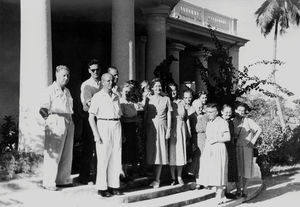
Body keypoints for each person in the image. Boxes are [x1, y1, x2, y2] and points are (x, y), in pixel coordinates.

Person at [39, 65, 74, 191]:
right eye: (63, 75)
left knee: (67, 152)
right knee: (53, 153)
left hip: (68, 119)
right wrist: (49, 121)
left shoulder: (67, 91)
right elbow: (42, 109)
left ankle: (62, 180)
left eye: (68, 75)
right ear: (57, 75)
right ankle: (48, 182)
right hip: (56, 119)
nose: (66, 78)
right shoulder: (50, 90)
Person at [88, 73, 123, 197]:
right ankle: (102, 187)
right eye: (107, 81)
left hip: (116, 125)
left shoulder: (116, 97)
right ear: (102, 82)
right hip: (103, 125)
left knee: (116, 156)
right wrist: (96, 135)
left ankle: (114, 186)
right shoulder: (97, 96)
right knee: (103, 158)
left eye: (111, 81)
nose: (110, 83)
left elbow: (119, 114)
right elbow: (91, 117)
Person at [198, 103, 230, 205]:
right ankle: (221, 195)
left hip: (218, 148)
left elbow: (227, 137)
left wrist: (215, 140)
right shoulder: (210, 122)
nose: (209, 114)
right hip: (209, 149)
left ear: (216, 112)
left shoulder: (222, 122)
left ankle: (219, 196)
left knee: (219, 172)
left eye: (211, 112)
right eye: (207, 112)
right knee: (212, 172)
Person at [145, 78, 172, 188]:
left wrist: (169, 129)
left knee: (160, 153)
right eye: (156, 86)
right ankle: (151, 176)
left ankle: (157, 179)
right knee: (152, 152)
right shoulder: (148, 99)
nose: (158, 88)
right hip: (151, 127)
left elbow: (169, 114)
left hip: (162, 127)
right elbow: (145, 113)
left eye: (159, 86)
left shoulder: (166, 99)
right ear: (152, 87)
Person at [78, 59, 101, 184]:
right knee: (88, 147)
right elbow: (88, 102)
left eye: (97, 69)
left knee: (100, 148)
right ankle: (84, 176)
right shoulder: (86, 85)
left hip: (102, 118)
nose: (95, 72)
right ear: (89, 71)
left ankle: (98, 175)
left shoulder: (103, 83)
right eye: (93, 70)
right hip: (90, 118)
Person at [233, 102, 262, 197]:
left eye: (243, 111)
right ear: (235, 110)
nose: (241, 112)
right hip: (236, 148)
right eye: (239, 110)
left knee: (246, 169)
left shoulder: (248, 120)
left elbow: (259, 129)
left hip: (247, 148)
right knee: (237, 169)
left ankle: (244, 189)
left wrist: (253, 141)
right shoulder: (232, 121)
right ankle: (238, 189)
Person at [167, 84, 189, 186]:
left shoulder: (182, 102)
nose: (173, 93)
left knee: (180, 152)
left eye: (175, 90)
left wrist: (188, 131)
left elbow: (186, 118)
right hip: (171, 129)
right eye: (171, 91)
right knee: (172, 153)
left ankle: (179, 176)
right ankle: (172, 177)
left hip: (181, 128)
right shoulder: (167, 101)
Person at [120, 82, 139, 180]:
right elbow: (122, 118)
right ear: (122, 92)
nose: (127, 93)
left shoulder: (131, 103)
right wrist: (132, 118)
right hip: (125, 128)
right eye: (125, 92)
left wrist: (132, 118)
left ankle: (126, 171)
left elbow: (136, 116)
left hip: (132, 128)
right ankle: (122, 172)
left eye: (129, 92)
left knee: (130, 151)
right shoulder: (121, 102)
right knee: (124, 150)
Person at [221, 104, 238, 199]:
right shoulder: (219, 122)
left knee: (230, 169)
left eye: (230, 112)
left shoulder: (231, 123)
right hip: (222, 147)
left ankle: (227, 191)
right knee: (222, 169)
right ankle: (221, 191)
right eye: (226, 112)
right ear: (222, 112)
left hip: (230, 148)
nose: (228, 114)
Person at [191, 93, 208, 189]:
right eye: (198, 107)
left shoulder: (206, 116)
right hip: (196, 139)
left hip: (205, 139)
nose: (200, 109)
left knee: (205, 160)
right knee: (197, 160)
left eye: (201, 107)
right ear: (194, 107)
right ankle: (198, 180)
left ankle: (205, 180)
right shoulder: (191, 117)